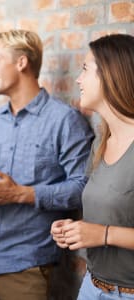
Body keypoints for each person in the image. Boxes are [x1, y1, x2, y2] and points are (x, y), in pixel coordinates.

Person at [0, 29, 94, 299]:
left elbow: (83, 187)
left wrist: (22, 193)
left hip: (27, 269)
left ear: (21, 62)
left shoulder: (64, 121)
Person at [51, 34, 134, 299]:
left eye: (85, 69)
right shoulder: (102, 142)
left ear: (111, 75)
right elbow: (113, 214)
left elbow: (106, 230)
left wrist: (104, 234)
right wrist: (76, 230)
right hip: (92, 287)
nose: (78, 80)